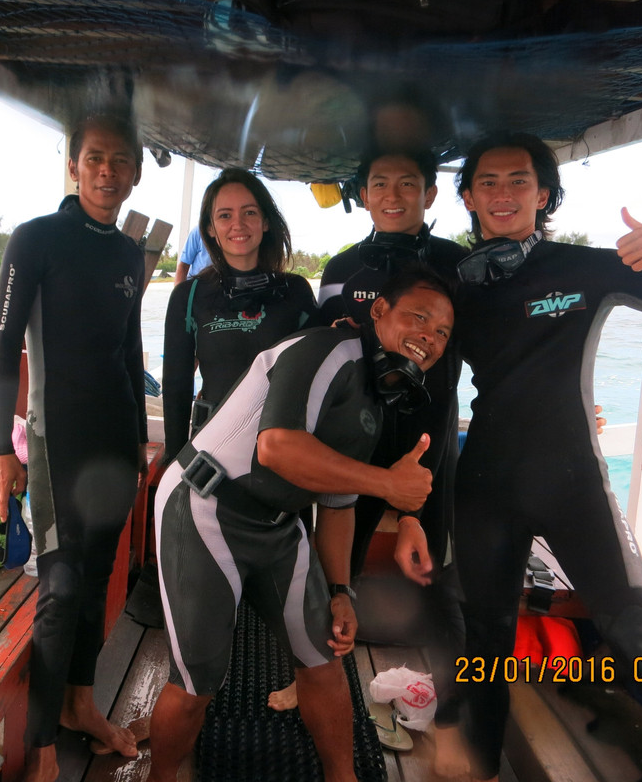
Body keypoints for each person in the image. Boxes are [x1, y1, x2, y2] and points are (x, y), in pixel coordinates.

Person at [451, 131, 642, 782]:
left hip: (570, 485)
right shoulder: (455, 283)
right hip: (483, 486)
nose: (503, 193)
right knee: (483, 646)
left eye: (519, 181)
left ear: (544, 194)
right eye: (489, 182)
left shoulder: (583, 268)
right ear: (470, 196)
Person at [149, 267, 454, 782]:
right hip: (204, 507)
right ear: (378, 311)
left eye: (443, 332)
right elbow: (278, 447)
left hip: (279, 524)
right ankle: (159, 777)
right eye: (418, 318)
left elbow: (336, 504)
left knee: (323, 658)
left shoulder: (374, 404)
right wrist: (388, 485)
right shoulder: (326, 350)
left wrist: (340, 590)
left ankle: (343, 777)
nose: (429, 336)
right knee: (198, 680)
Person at [0, 114, 149, 782]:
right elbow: (1, 351)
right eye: (95, 159)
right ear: (74, 166)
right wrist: (1, 448)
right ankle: (42, 748)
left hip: (114, 443)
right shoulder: (36, 240)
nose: (107, 172)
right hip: (56, 442)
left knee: (98, 577)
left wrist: (139, 439)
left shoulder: (129, 253)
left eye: (120, 162)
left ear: (135, 172)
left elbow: (131, 351)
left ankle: (81, 704)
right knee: (58, 587)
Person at [312, 148, 471, 775]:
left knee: (436, 585)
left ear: (430, 194)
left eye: (409, 183)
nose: (394, 193)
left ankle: (455, 722)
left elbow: (493, 348)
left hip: (428, 444)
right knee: (333, 576)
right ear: (364, 194)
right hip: (355, 446)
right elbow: (322, 353)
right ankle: (318, 680)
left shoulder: (457, 264)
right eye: (380, 183)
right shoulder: (343, 266)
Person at [161, 168, 317, 464]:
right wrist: (174, 457)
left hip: (281, 450)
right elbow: (176, 384)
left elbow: (321, 376)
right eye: (225, 216)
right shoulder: (189, 295)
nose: (238, 225)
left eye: (249, 212)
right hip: (211, 450)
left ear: (266, 221)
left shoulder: (295, 291)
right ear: (209, 228)